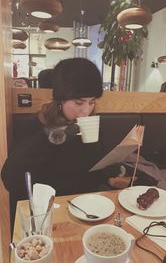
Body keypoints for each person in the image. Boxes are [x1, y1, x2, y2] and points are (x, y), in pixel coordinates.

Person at [1, 58, 118, 231]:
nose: (86, 110)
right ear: (61, 100)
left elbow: (94, 170)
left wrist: (110, 175)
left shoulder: (90, 125)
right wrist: (55, 135)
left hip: (86, 210)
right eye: (79, 102)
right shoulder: (38, 128)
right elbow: (10, 178)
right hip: (49, 214)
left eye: (91, 102)